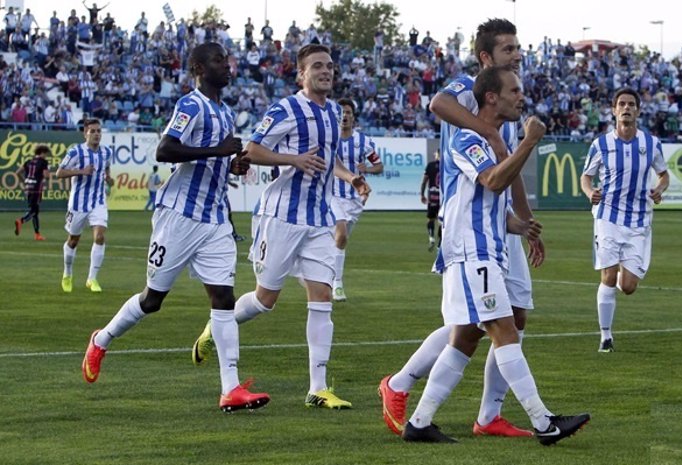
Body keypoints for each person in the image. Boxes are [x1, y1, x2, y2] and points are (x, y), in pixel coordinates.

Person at [401, 64, 590, 445]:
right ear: (492, 97)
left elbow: (486, 202)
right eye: (514, 90)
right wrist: (528, 142)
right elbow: (492, 180)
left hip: (485, 249)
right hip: (472, 252)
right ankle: (544, 423)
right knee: (505, 330)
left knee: (466, 339)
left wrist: (519, 225)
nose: (522, 96)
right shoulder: (468, 140)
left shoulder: (491, 142)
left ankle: (420, 422)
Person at [80, 42, 270, 414]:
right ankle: (101, 339)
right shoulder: (190, 104)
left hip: (213, 220)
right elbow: (165, 151)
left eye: (227, 60)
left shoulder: (226, 112)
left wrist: (231, 165)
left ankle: (230, 388)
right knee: (153, 301)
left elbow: (214, 161)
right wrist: (218, 151)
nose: (227, 66)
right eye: (218, 60)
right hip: (178, 216)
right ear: (198, 67)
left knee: (224, 299)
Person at [379, 18, 546, 439]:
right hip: (468, 218)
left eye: (518, 47)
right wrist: (491, 133)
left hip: (498, 219)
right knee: (486, 321)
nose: (518, 55)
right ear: (486, 58)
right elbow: (437, 104)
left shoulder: (510, 104)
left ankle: (488, 415)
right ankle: (402, 384)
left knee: (508, 318)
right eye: (508, 49)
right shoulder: (469, 92)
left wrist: (526, 226)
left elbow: (513, 172)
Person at [191, 44, 371, 410]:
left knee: (321, 297)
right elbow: (252, 151)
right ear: (301, 75)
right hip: (280, 217)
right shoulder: (287, 108)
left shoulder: (334, 112)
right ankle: (217, 327)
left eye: (330, 66)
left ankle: (317, 389)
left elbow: (326, 159)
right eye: (317, 66)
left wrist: (351, 177)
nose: (326, 72)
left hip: (319, 218)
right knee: (265, 299)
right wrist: (293, 159)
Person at [580, 88, 669, 353]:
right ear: (614, 110)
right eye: (622, 104)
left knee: (628, 286)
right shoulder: (601, 144)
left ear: (638, 110)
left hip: (639, 220)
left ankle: (620, 276)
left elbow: (664, 175)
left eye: (631, 104)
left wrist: (659, 189)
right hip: (607, 215)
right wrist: (589, 192)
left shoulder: (651, 144)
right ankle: (605, 336)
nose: (626, 108)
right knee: (608, 276)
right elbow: (586, 177)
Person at [331, 98, 383, 302]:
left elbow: (379, 166)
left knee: (340, 242)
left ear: (353, 117)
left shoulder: (363, 141)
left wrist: (367, 169)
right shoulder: (330, 139)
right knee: (341, 234)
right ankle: (337, 284)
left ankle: (327, 274)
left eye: (348, 112)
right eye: (341, 112)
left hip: (354, 199)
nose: (344, 116)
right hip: (332, 194)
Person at [56, 119, 114, 293]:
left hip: (98, 201)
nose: (96, 134)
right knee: (73, 240)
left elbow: (107, 169)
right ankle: (67, 273)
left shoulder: (106, 152)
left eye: (98, 131)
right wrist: (81, 171)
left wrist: (109, 179)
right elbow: (59, 173)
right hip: (78, 203)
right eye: (92, 131)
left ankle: (92, 279)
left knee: (100, 237)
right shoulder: (76, 152)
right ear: (85, 133)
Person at [14, 145, 51, 241]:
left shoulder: (28, 161)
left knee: (35, 210)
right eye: (46, 154)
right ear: (42, 152)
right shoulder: (43, 162)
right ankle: (21, 221)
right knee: (34, 211)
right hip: (36, 188)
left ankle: (37, 234)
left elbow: (17, 172)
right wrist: (47, 173)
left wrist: (25, 181)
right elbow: (46, 176)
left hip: (28, 187)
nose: (46, 156)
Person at [420, 149, 440, 251]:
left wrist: (422, 195)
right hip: (443, 198)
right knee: (442, 221)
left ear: (437, 155)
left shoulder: (430, 165)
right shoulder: (447, 166)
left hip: (432, 197)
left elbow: (424, 182)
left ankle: (431, 237)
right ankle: (440, 243)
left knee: (430, 218)